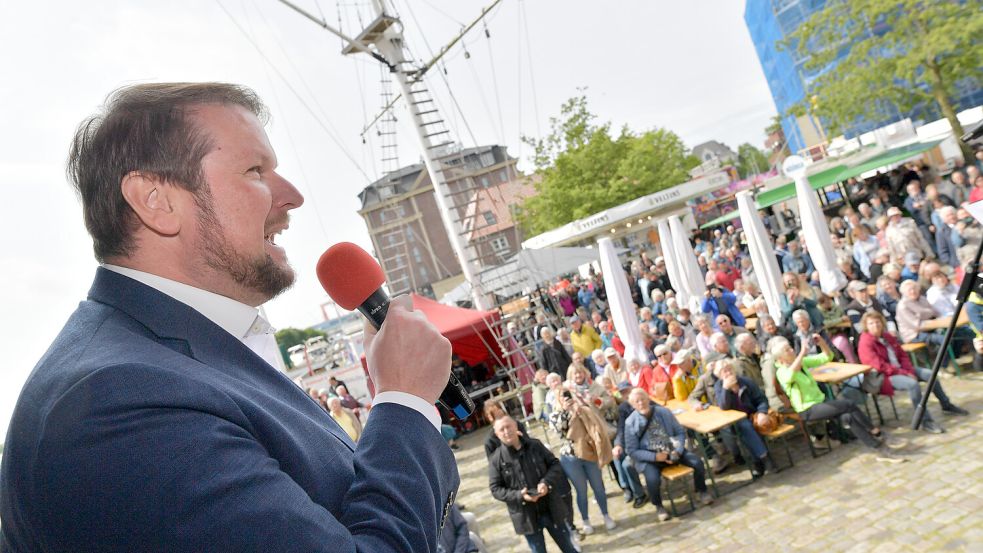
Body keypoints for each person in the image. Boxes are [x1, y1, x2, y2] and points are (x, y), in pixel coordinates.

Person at [0, 83, 458, 550]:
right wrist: (404, 402)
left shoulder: (172, 362)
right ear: (156, 200)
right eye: (255, 171)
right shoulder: (119, 400)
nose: (293, 196)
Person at [857, 311, 967, 434]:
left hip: (901, 369)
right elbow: (879, 366)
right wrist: (904, 373)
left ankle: (946, 405)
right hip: (884, 377)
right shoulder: (865, 342)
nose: (875, 325)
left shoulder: (887, 336)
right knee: (912, 385)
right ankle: (925, 421)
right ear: (866, 326)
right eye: (871, 323)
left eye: (877, 322)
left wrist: (907, 370)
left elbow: (903, 355)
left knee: (930, 374)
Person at [769, 335, 887, 451]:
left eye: (790, 347)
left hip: (820, 402)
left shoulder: (802, 362)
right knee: (848, 404)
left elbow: (827, 357)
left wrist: (822, 343)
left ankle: (874, 444)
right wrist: (802, 353)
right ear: (781, 359)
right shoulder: (782, 372)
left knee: (848, 415)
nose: (792, 350)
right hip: (807, 409)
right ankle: (873, 430)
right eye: (787, 350)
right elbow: (790, 375)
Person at [488, 417, 579, 553]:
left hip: (550, 506)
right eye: (502, 429)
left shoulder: (535, 445)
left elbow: (555, 464)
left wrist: (545, 483)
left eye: (509, 427)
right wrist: (520, 495)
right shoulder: (496, 460)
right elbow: (495, 489)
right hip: (526, 515)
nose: (506, 431)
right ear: (497, 434)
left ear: (516, 426)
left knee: (569, 548)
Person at [624, 389, 713, 522]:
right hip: (651, 457)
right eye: (637, 401)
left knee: (697, 462)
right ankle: (658, 506)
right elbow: (632, 450)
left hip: (671, 449)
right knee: (652, 479)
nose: (641, 403)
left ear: (648, 399)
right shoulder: (630, 422)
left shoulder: (663, 412)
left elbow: (679, 432)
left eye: (642, 399)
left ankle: (701, 490)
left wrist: (677, 451)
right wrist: (655, 457)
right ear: (633, 405)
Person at [549, 389, 617, 534]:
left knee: (598, 486)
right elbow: (559, 429)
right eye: (562, 396)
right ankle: (586, 521)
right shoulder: (555, 415)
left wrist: (581, 407)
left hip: (590, 452)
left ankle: (606, 515)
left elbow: (595, 424)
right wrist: (566, 412)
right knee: (581, 491)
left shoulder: (582, 409)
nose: (566, 398)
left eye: (568, 395)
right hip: (571, 458)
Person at [711, 361, 771, 478]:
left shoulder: (746, 382)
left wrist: (762, 413)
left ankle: (758, 462)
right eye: (724, 371)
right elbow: (724, 406)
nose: (728, 373)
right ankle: (764, 457)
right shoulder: (719, 386)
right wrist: (726, 389)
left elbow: (761, 399)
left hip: (753, 415)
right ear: (719, 375)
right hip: (733, 422)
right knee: (745, 426)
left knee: (747, 427)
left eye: (730, 369)